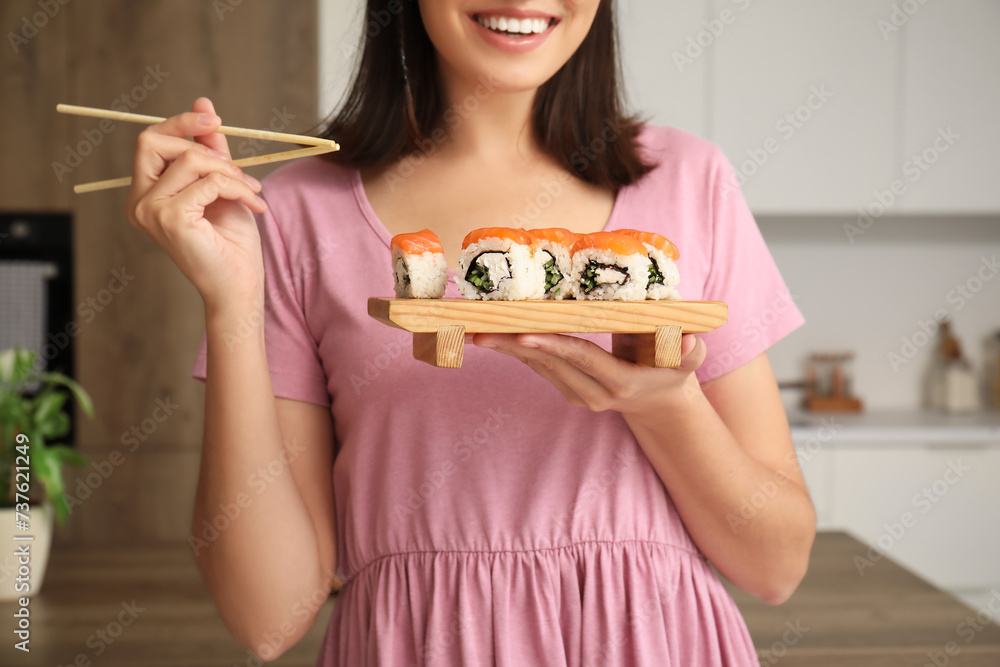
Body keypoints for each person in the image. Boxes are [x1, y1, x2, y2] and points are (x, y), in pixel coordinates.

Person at [126, 0, 816, 664]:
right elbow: (268, 621)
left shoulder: (692, 182)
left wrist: (665, 405)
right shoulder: (294, 211)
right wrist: (231, 302)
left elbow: (777, 566)